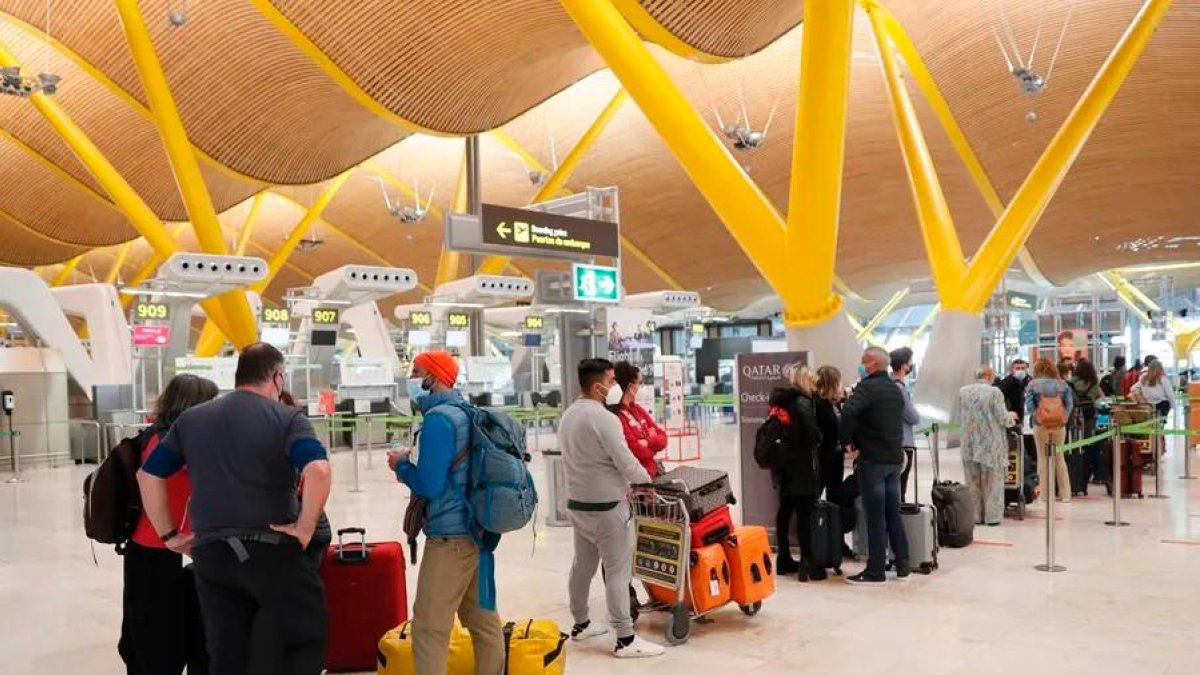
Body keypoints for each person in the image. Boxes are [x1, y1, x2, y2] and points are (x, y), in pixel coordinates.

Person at [137, 343, 332, 675]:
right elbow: (318, 470)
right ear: (278, 377)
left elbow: (148, 474)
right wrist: (304, 526)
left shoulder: (192, 419)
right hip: (272, 552)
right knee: (297, 642)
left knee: (228, 653)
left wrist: (169, 534)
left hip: (213, 557)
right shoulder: (287, 419)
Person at [387, 351, 505, 675]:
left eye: (417, 371)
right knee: (484, 621)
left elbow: (430, 484)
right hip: (478, 533)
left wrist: (401, 466)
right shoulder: (468, 412)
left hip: (450, 539)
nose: (412, 378)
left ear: (435, 377)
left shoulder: (439, 420)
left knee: (429, 628)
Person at [559, 358, 663, 658]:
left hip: (578, 505)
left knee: (583, 565)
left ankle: (581, 624)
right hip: (608, 507)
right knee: (618, 572)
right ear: (597, 385)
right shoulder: (604, 418)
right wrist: (648, 480)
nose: (614, 385)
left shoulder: (568, 415)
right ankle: (626, 639)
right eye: (611, 379)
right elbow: (625, 459)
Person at [121, 374, 218, 675]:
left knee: (181, 630)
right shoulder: (165, 440)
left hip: (167, 548)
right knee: (160, 637)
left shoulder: (163, 434)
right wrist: (170, 534)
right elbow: (150, 479)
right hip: (160, 548)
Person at [840, 347, 910, 586]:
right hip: (894, 460)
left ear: (871, 365)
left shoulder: (867, 388)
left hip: (873, 461)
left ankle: (876, 570)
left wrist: (847, 441)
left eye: (863, 362)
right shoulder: (894, 388)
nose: (861, 366)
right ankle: (902, 563)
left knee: (875, 517)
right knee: (893, 513)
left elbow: (848, 410)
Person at [768, 364, 824, 581]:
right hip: (802, 467)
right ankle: (807, 562)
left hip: (783, 466)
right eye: (813, 382)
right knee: (804, 514)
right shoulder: (802, 403)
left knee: (785, 510)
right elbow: (814, 436)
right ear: (806, 381)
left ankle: (783, 558)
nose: (816, 387)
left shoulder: (781, 403)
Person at [957, 366, 1010, 526]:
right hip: (990, 444)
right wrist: (1012, 417)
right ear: (988, 375)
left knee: (972, 481)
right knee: (992, 481)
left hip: (969, 443)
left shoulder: (963, 392)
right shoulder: (994, 392)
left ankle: (975, 516)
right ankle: (992, 517)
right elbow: (1003, 418)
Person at [1025, 357, 1073, 504]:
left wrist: (1037, 418)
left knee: (1042, 459)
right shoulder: (1062, 385)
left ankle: (1044, 494)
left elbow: (1029, 405)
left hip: (1041, 426)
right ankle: (1065, 495)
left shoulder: (1033, 384)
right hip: (1059, 426)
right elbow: (1069, 405)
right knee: (1060, 458)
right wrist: (1063, 418)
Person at [611, 362, 668, 480]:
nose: (642, 387)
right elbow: (634, 451)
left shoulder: (638, 410)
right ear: (631, 387)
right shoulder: (616, 416)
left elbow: (663, 438)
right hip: (637, 480)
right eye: (640, 383)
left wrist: (646, 442)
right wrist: (652, 443)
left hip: (653, 473)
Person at [888, 347, 921, 502]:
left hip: (892, 440)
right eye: (910, 362)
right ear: (904, 365)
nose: (911, 365)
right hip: (903, 442)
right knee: (900, 484)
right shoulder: (899, 388)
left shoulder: (888, 384)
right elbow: (912, 416)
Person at [813, 366, 845, 505]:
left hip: (836, 455)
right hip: (823, 457)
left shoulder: (834, 403)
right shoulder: (819, 404)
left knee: (835, 495)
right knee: (817, 493)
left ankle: (832, 525)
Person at [1070, 359, 1105, 487]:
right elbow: (1101, 399)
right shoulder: (1094, 383)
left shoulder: (1071, 382)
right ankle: (1088, 471)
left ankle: (1076, 470)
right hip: (1090, 415)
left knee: (1074, 443)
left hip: (1075, 415)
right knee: (1089, 442)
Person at [995, 359, 1030, 424]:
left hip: (1028, 416)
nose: (1020, 370)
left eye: (1023, 368)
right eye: (1017, 368)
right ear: (1012, 370)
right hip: (1013, 417)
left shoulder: (1030, 382)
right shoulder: (1006, 383)